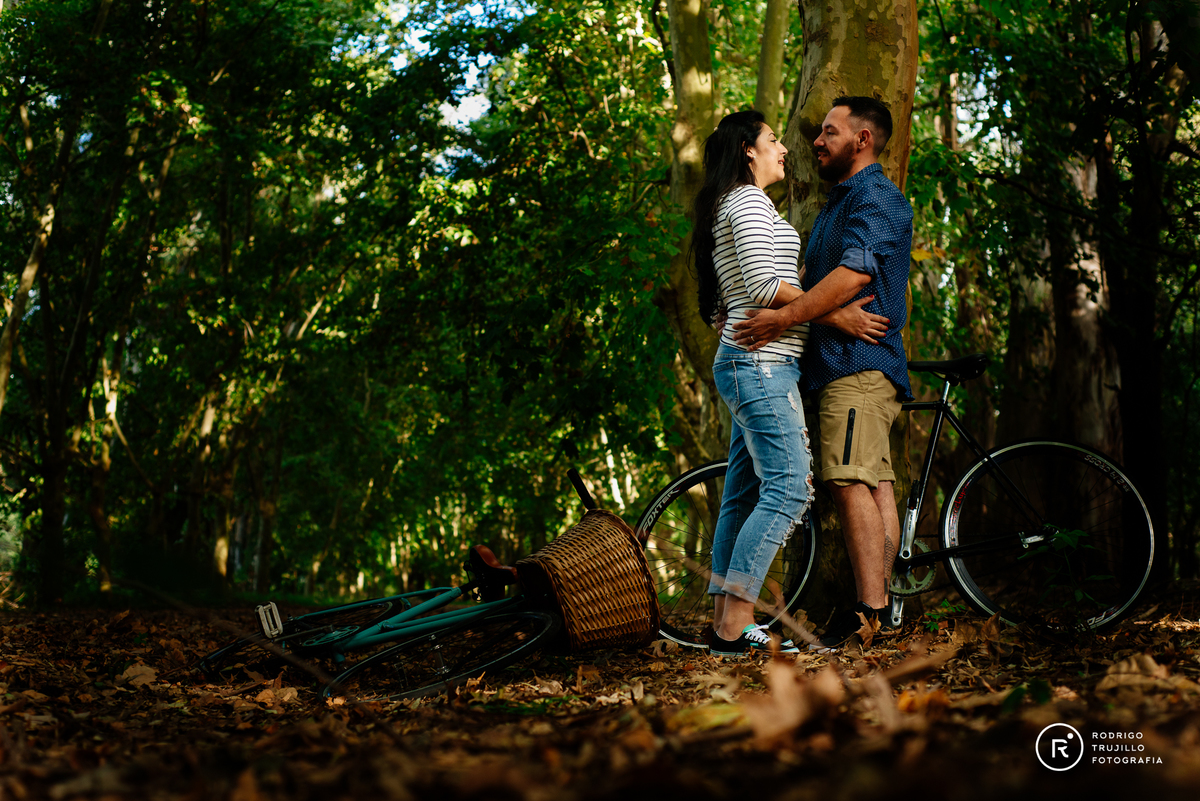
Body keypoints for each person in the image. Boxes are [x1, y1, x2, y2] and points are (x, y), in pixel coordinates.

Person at [692, 109, 884, 656]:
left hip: (750, 361)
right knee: (790, 487)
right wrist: (834, 315)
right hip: (761, 364)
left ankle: (723, 622)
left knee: (744, 493)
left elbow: (738, 294)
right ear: (747, 151)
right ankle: (736, 624)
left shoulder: (736, 206)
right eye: (773, 140)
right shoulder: (747, 201)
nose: (784, 148)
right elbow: (763, 286)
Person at [731, 96, 913, 651]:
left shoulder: (875, 196)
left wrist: (784, 317)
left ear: (862, 140)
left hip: (856, 366)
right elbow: (814, 277)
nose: (815, 140)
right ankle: (880, 614)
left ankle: (870, 614)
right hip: (838, 367)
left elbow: (856, 273)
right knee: (872, 480)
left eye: (829, 131)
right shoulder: (839, 202)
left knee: (849, 479)